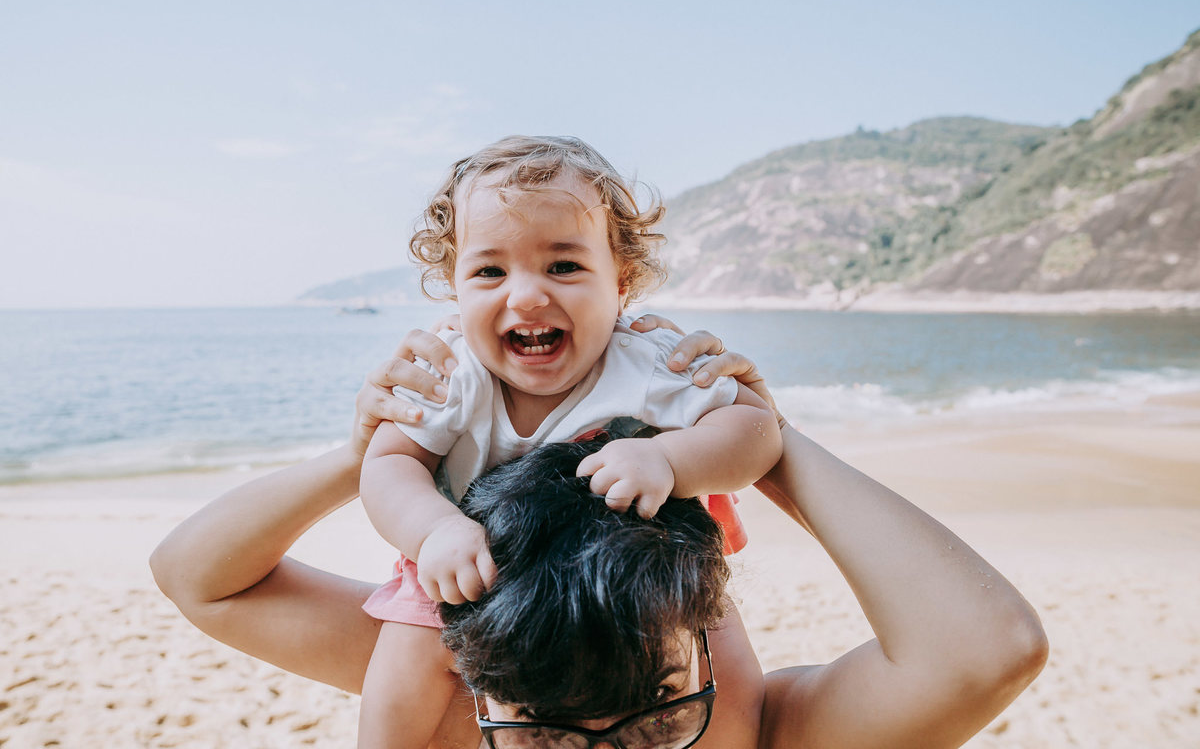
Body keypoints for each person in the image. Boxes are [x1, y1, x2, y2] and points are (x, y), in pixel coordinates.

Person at [150, 321, 1049, 749]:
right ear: (480, 677)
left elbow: (991, 647)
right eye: (545, 733)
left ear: (714, 621)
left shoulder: (763, 733)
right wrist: (386, 454)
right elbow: (194, 572)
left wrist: (760, 441)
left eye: (657, 711)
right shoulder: (478, 676)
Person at [357, 137, 781, 748]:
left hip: (640, 566)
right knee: (403, 664)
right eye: (489, 271)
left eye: (563, 266)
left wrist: (668, 458)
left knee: (713, 647)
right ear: (454, 288)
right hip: (478, 565)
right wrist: (432, 531)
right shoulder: (450, 372)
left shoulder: (647, 361)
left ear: (622, 282)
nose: (526, 295)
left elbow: (754, 430)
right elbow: (389, 463)